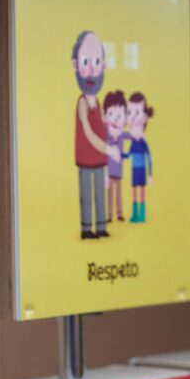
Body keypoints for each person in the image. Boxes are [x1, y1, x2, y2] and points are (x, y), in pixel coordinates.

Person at [72, 31, 121, 239]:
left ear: (104, 66)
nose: (92, 69)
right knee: (86, 192)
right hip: (86, 158)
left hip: (99, 159)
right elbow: (89, 132)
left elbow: (102, 123)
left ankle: (101, 226)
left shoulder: (97, 102)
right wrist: (108, 148)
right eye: (86, 61)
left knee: (100, 191)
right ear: (75, 65)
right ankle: (86, 229)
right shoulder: (82, 103)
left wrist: (114, 124)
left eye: (97, 62)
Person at [125, 92, 154, 223]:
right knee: (134, 192)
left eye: (136, 113)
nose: (132, 118)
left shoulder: (143, 142)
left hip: (142, 170)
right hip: (134, 170)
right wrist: (120, 155)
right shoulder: (133, 142)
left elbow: (149, 158)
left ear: (145, 117)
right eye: (129, 112)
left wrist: (150, 174)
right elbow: (128, 155)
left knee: (141, 192)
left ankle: (141, 215)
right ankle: (135, 214)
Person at [103, 90, 129, 222]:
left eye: (119, 115)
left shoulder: (122, 134)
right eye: (111, 114)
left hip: (118, 171)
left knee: (118, 193)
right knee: (110, 194)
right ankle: (109, 215)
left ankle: (119, 213)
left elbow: (133, 136)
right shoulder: (107, 134)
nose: (116, 118)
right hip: (108, 171)